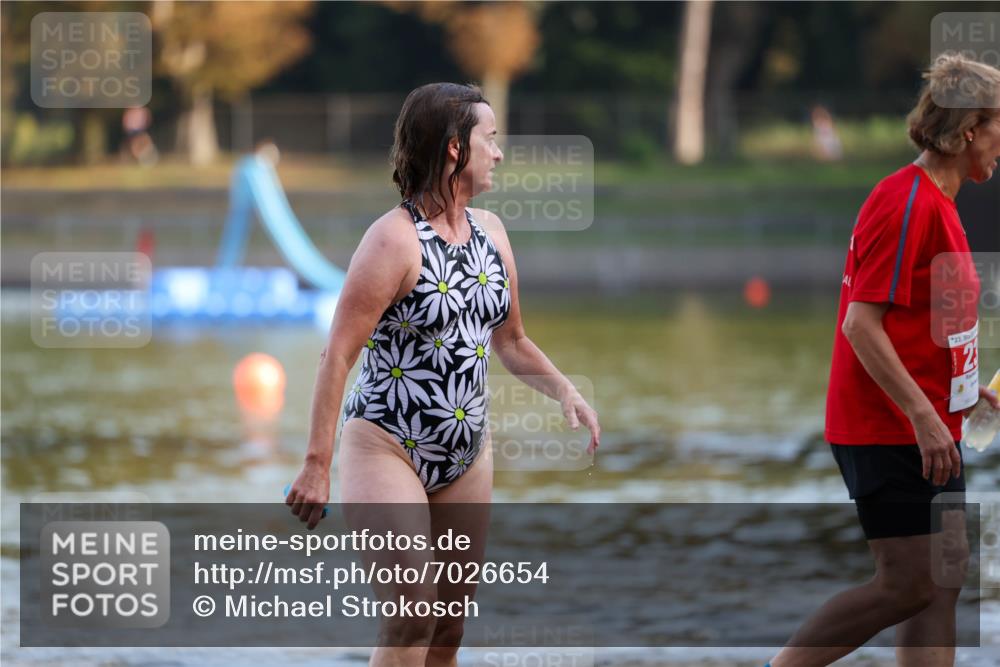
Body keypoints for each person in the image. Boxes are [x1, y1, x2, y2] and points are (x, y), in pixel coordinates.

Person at [285, 82, 600, 667]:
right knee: (411, 616)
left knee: (448, 630)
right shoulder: (392, 240)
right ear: (455, 149)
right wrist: (315, 463)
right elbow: (337, 354)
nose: (499, 153)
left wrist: (565, 389)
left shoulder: (492, 234)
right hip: (386, 445)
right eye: (491, 139)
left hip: (466, 455)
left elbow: (511, 340)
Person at [767, 53, 1000, 667]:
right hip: (890, 429)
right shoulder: (907, 202)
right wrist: (925, 417)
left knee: (942, 585)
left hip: (933, 426)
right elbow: (860, 324)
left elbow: (921, 325)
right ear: (972, 128)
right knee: (908, 585)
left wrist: (968, 392)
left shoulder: (943, 204)